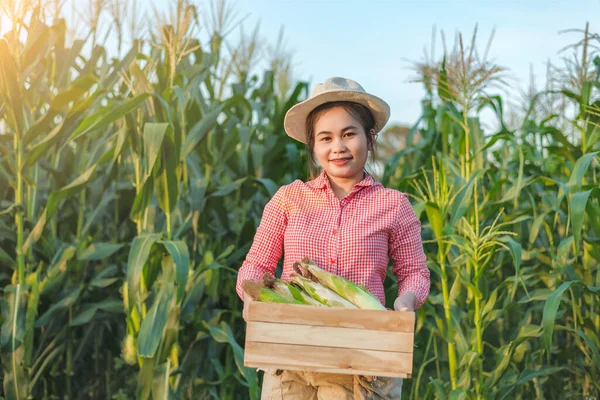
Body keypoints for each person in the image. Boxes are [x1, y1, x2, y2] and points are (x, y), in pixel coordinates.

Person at [236, 77, 430, 399]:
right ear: (313, 146)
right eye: (325, 138)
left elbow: (415, 273)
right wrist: (251, 295)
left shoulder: (394, 204)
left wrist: (407, 300)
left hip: (364, 355)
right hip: (290, 355)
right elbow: (256, 264)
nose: (337, 147)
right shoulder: (288, 198)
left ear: (369, 138)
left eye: (349, 134)